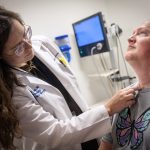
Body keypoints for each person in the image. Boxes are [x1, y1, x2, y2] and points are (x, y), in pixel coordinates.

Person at [0, 6, 137, 150]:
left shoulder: (42, 44)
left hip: (92, 138)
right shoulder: (11, 90)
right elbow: (54, 133)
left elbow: (72, 91)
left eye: (25, 33)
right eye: (18, 48)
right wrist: (107, 108)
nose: (29, 46)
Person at [99, 21, 150, 150]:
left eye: (142, 33)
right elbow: (106, 146)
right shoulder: (123, 96)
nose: (130, 38)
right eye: (132, 33)